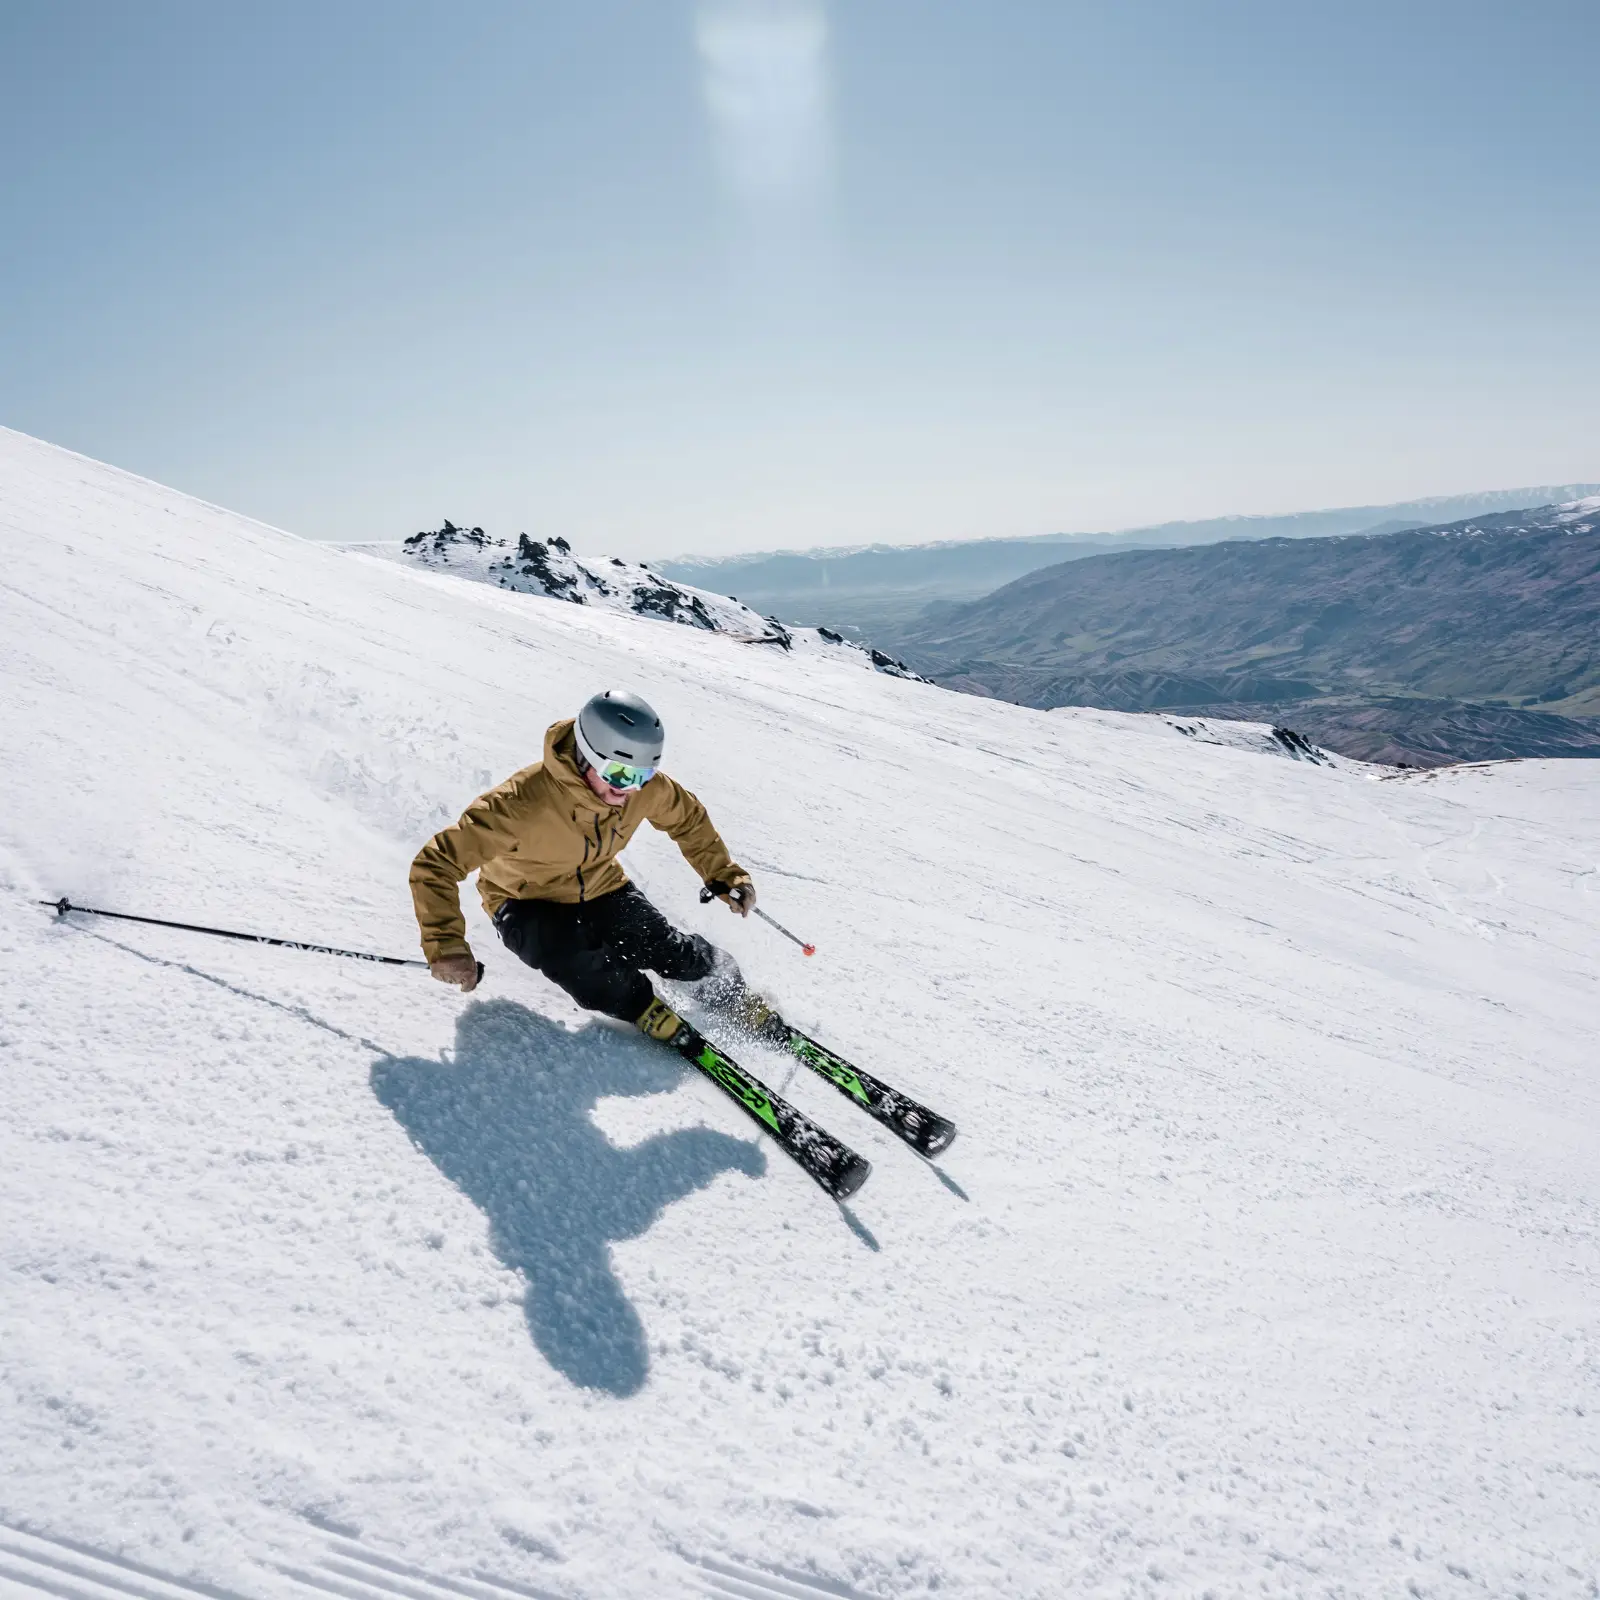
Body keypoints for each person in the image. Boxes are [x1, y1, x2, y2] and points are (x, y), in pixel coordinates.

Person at [410, 689, 770, 1036]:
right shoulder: (518, 804)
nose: (629, 789)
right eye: (620, 774)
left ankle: (727, 991)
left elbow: (687, 819)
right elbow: (436, 864)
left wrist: (724, 875)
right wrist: (446, 946)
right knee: (581, 965)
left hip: (601, 884)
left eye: (641, 776)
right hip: (523, 901)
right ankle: (640, 1005)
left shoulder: (643, 791)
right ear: (586, 757)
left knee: (662, 945)